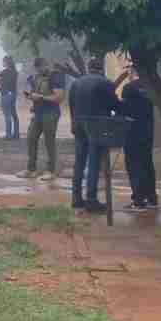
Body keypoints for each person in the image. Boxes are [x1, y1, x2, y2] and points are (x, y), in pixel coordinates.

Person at [68, 57, 120, 212]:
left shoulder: (76, 83)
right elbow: (114, 105)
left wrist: (73, 122)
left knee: (79, 162)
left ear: (89, 67)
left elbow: (71, 105)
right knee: (94, 163)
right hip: (96, 126)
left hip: (78, 125)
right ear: (101, 69)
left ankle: (76, 198)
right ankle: (91, 199)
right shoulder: (105, 83)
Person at [18, 57, 65, 181]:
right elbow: (34, 93)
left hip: (51, 112)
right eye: (37, 68)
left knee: (49, 141)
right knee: (31, 138)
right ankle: (31, 169)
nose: (39, 70)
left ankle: (50, 170)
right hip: (38, 112)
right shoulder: (36, 77)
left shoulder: (56, 76)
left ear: (46, 65)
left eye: (41, 67)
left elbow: (59, 97)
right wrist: (30, 96)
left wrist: (40, 97)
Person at [120, 64, 158, 211]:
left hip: (132, 131)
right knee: (147, 163)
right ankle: (152, 198)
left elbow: (124, 108)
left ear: (132, 72)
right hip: (148, 130)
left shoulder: (129, 88)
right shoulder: (151, 88)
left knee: (134, 165)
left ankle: (138, 200)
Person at [0, 56, 19, 140]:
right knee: (14, 114)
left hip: (5, 94)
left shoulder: (3, 72)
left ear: (6, 62)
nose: (2, 63)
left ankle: (8, 135)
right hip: (13, 94)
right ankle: (16, 134)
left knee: (7, 115)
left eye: (3, 62)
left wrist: (0, 87)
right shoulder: (15, 72)